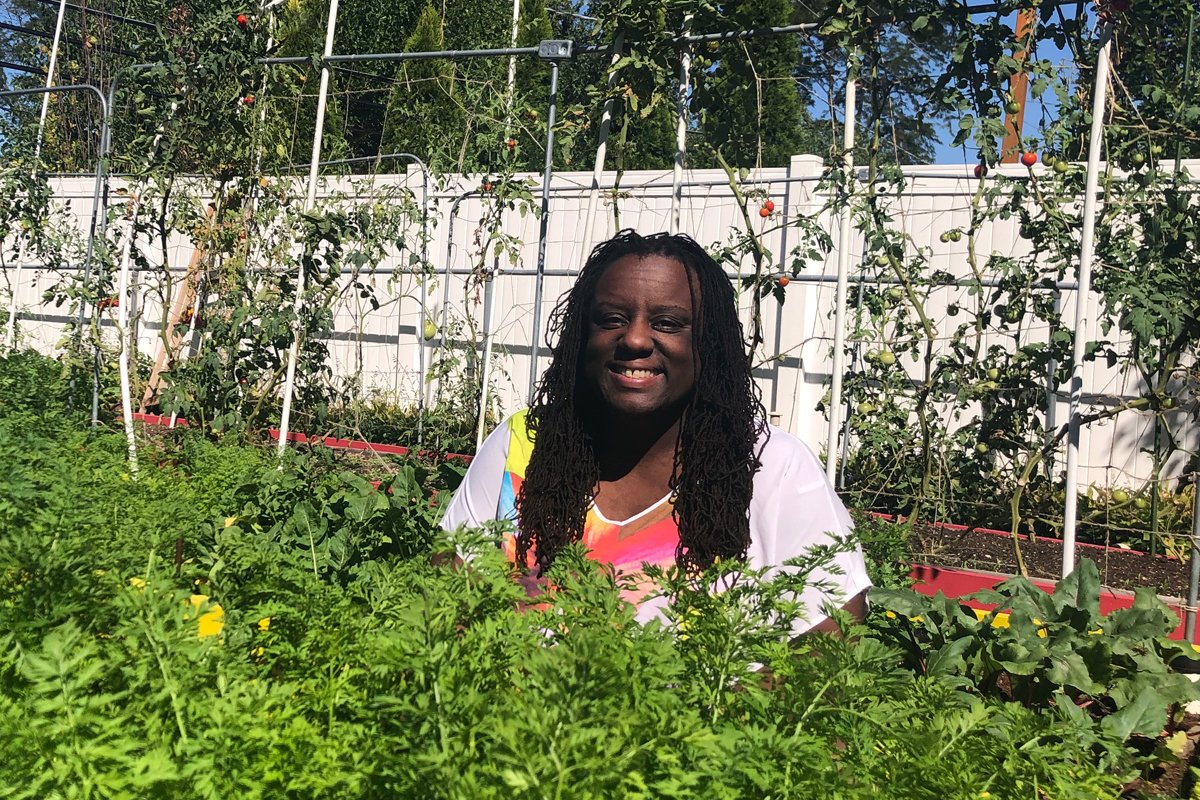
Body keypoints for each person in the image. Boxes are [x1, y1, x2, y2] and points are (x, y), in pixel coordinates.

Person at [441, 229, 870, 635]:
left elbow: (833, 630)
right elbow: (447, 594)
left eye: (667, 322)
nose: (634, 339)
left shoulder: (772, 468)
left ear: (709, 343)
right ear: (581, 334)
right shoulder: (524, 444)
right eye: (611, 318)